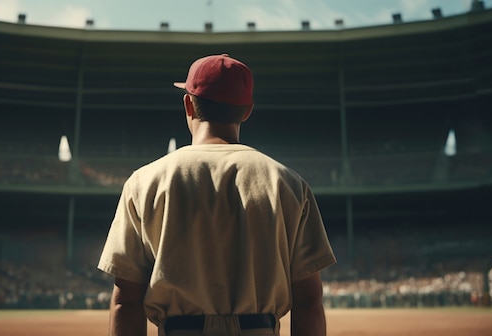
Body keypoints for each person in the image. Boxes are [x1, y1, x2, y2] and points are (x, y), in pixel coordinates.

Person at [98, 53, 336, 336]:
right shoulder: (289, 184)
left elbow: (126, 300)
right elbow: (309, 302)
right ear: (247, 110)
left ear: (188, 105)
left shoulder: (144, 182)